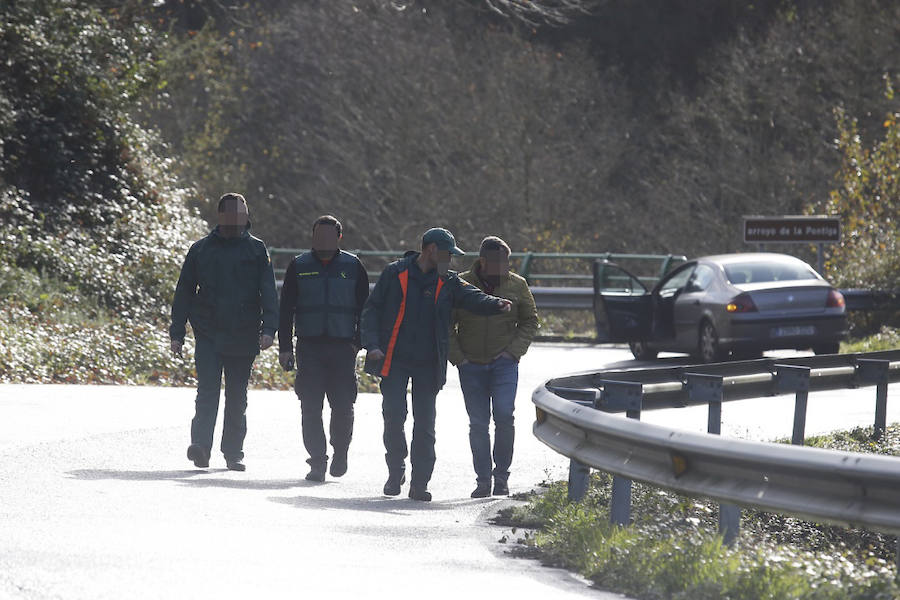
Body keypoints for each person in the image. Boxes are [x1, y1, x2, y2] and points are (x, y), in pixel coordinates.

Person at [361, 228, 512, 501]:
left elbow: (472, 296)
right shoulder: (395, 273)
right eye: (447, 254)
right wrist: (372, 345)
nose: (450, 260)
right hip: (393, 359)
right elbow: (372, 309)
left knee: (425, 425)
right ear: (431, 250)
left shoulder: (448, 281)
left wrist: (495, 303)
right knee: (394, 417)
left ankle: (420, 483)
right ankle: (396, 472)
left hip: (428, 363)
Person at [169, 193, 278, 471]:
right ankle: (200, 448)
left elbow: (268, 291)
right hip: (208, 333)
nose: (239, 218)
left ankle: (233, 452)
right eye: (234, 212)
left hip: (243, 333)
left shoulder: (257, 250)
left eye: (243, 212)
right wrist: (177, 331)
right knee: (207, 391)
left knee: (237, 395)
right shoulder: (201, 250)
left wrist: (270, 329)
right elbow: (184, 291)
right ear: (221, 215)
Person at [277, 215, 369, 481]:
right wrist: (285, 347)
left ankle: (340, 451)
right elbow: (286, 310)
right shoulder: (299, 265)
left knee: (343, 406)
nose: (323, 241)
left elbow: (366, 309)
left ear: (339, 238)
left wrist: (357, 343)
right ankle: (317, 461)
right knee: (310, 406)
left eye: (329, 236)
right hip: (309, 347)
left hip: (343, 348)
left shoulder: (353, 266)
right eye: (318, 235)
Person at [449, 236, 538, 498]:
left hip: (504, 364)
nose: (504, 266)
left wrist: (513, 353)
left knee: (504, 415)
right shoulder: (462, 283)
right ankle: (483, 480)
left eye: (507, 261)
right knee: (478, 424)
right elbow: (446, 323)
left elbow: (530, 321)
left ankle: (502, 477)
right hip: (471, 364)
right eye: (498, 261)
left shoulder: (517, 285)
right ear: (483, 261)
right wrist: (459, 358)